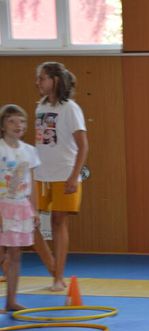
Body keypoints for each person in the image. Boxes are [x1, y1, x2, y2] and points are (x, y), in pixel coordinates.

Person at [33, 62, 89, 292]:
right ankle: (53, 267)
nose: (38, 82)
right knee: (31, 222)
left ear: (54, 80)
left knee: (58, 221)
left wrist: (74, 176)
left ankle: (58, 276)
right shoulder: (40, 107)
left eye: (42, 78)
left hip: (64, 172)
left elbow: (83, 145)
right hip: (40, 174)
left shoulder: (70, 109)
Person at [0, 104, 41, 313]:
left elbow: (32, 182)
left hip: (21, 206)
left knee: (15, 254)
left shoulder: (29, 151)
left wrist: (34, 209)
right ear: (3, 126)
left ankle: (11, 300)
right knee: (3, 254)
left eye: (22, 121)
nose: (18, 125)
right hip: (3, 206)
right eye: (12, 121)